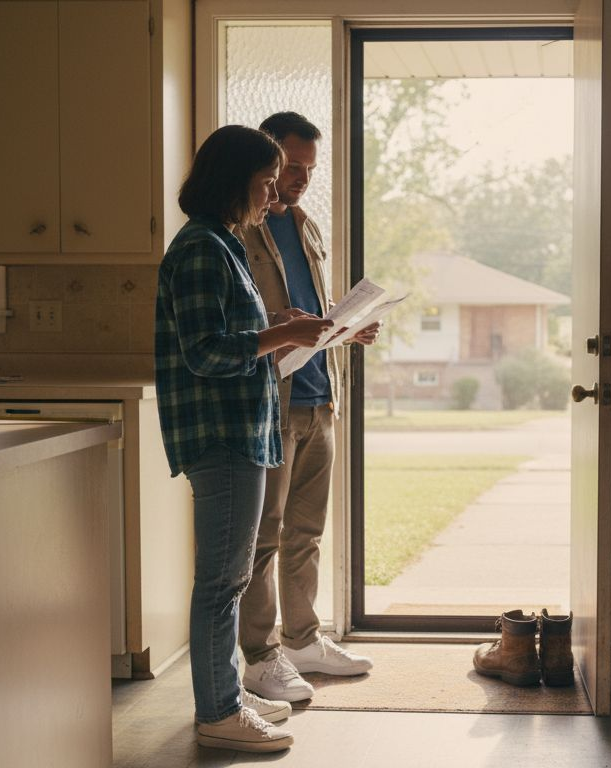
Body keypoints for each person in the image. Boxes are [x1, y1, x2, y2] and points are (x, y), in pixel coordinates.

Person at [155, 124, 333, 752]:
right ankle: (219, 714)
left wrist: (279, 322)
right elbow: (205, 351)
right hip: (223, 435)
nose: (272, 196)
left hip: (238, 432)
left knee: (228, 579)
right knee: (222, 582)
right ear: (236, 182)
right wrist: (282, 334)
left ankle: (226, 696)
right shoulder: (203, 248)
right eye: (265, 182)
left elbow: (231, 331)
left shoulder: (221, 243)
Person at [236, 111, 379, 703]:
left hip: (320, 397)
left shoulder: (305, 225)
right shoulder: (239, 229)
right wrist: (285, 325)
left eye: (309, 170)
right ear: (268, 160)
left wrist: (346, 329)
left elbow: (310, 312)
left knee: (307, 534)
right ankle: (259, 656)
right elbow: (244, 320)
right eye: (292, 167)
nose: (299, 179)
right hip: (271, 401)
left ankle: (302, 640)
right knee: (262, 539)